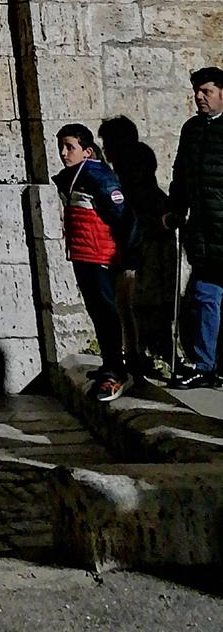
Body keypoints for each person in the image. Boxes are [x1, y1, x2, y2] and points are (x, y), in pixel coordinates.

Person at [54, 124, 133, 402]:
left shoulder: (97, 175)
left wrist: (127, 254)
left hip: (100, 254)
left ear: (87, 151)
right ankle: (110, 363)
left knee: (107, 311)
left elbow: (121, 215)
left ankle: (117, 372)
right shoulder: (75, 176)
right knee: (98, 312)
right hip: (83, 254)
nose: (64, 153)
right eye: (61, 147)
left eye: (70, 147)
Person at [165, 66, 223, 390]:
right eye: (197, 92)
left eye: (207, 91)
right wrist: (175, 211)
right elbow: (181, 176)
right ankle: (205, 366)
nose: (199, 97)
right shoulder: (191, 130)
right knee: (204, 297)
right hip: (203, 233)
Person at [97, 115, 165, 381]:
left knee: (130, 303)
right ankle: (136, 354)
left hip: (133, 247)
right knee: (129, 304)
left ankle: (137, 354)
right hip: (132, 246)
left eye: (108, 142)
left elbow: (130, 215)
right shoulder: (126, 174)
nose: (106, 150)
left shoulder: (127, 177)